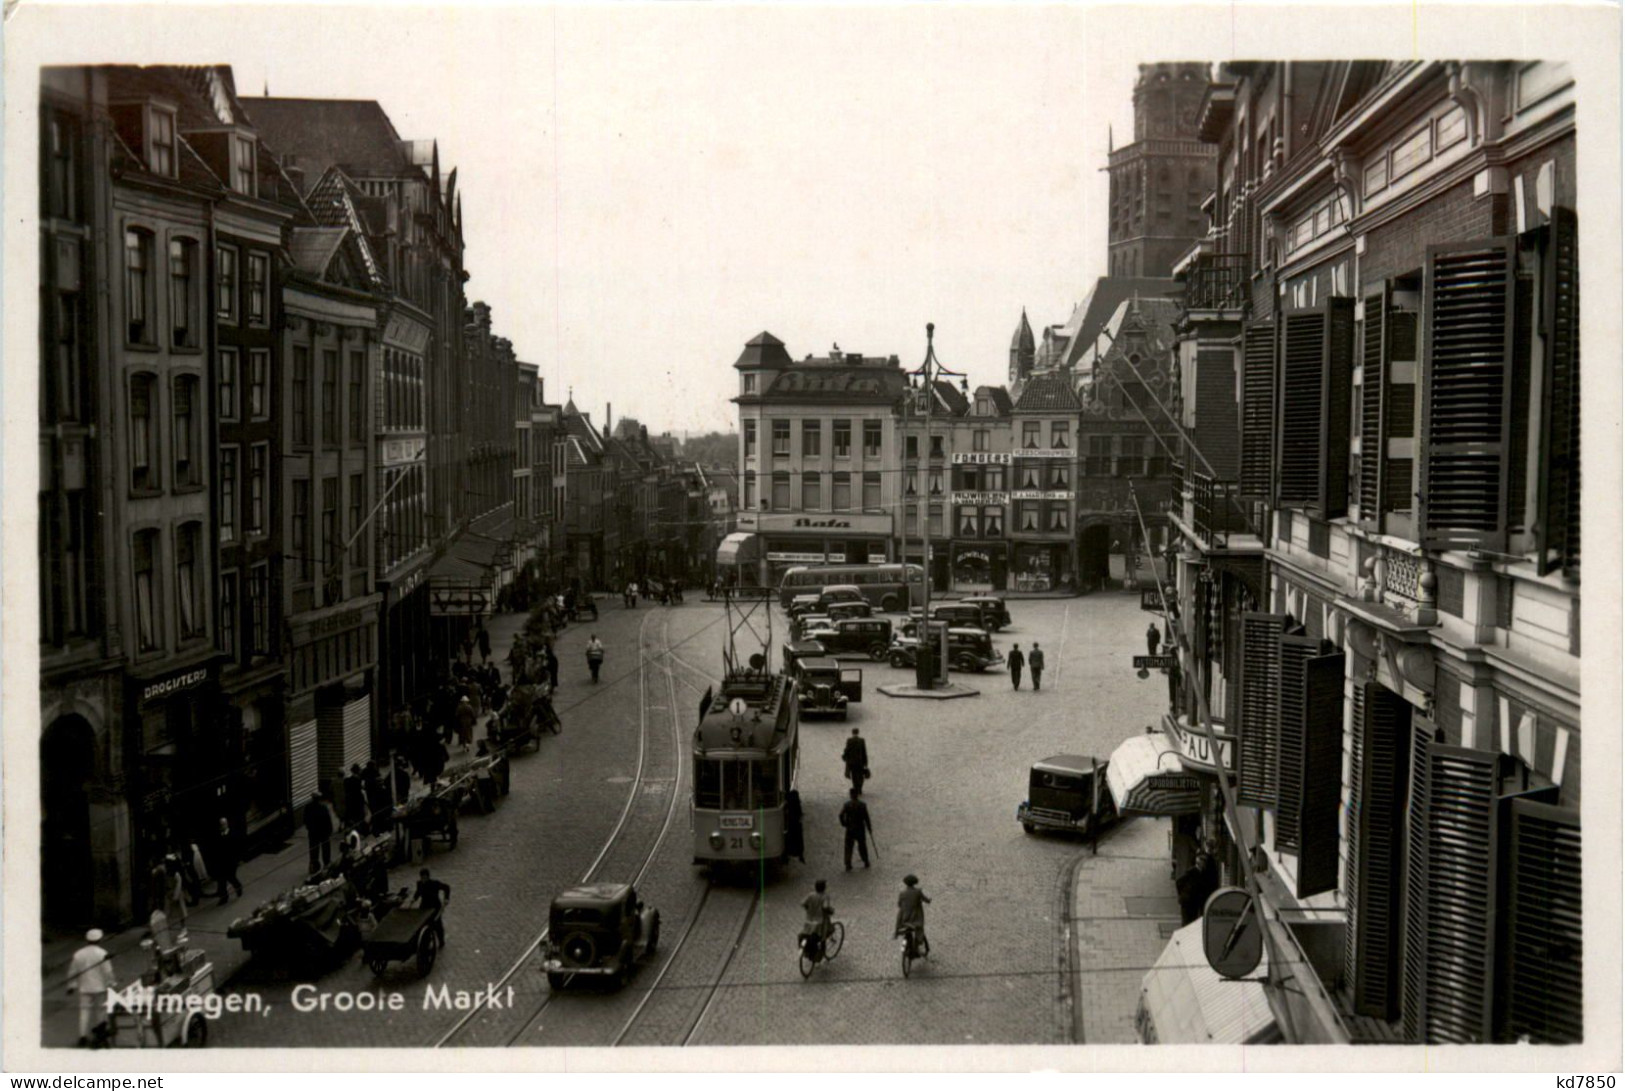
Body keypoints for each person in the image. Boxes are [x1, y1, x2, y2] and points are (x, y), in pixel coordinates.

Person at [67, 929, 117, 1046]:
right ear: (99, 939)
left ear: (87, 940)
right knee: (100, 1011)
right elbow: (108, 971)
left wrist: (72, 985)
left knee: (84, 1011)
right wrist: (112, 983)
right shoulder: (102, 953)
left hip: (84, 987)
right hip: (100, 987)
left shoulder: (78, 954)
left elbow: (73, 971)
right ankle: (100, 1034)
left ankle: (82, 1036)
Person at [412, 867, 452, 947]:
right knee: (423, 924)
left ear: (427, 876)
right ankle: (425, 940)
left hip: (434, 907)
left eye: (424, 877)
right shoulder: (419, 884)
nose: (423, 879)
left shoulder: (434, 883)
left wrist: (446, 898)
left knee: (437, 924)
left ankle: (441, 941)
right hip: (424, 907)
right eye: (422, 877)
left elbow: (446, 887)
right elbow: (418, 892)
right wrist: (414, 898)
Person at [894, 874, 932, 957]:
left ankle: (897, 934)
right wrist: (929, 900)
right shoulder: (917, 892)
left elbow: (899, 904)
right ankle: (918, 943)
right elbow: (925, 899)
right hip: (915, 917)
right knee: (919, 929)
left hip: (905, 917)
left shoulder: (902, 893)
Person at [211, 816, 243, 905]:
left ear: (227, 824)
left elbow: (236, 848)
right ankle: (224, 897)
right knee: (222, 880)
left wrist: (237, 859)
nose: (222, 826)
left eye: (224, 824)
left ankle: (238, 886)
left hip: (231, 861)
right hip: (222, 862)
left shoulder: (233, 834)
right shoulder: (219, 835)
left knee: (231, 877)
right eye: (221, 824)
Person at [838, 788, 873, 871]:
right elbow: (866, 818)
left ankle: (848, 863)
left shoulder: (847, 805)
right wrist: (869, 828)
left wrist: (844, 824)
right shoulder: (862, 805)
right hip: (860, 828)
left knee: (848, 846)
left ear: (850, 795)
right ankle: (865, 861)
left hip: (850, 828)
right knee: (862, 846)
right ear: (857, 795)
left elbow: (840, 815)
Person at [800, 879, 834, 954]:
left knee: (808, 933)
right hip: (820, 921)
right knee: (823, 935)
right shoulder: (825, 896)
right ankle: (822, 950)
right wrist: (830, 911)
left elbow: (803, 903)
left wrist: (808, 909)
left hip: (809, 919)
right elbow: (825, 907)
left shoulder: (811, 895)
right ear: (824, 888)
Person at [304, 792, 334, 875]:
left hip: (313, 832)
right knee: (326, 849)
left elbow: (305, 819)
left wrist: (309, 827)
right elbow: (328, 820)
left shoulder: (308, 807)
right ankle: (326, 864)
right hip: (323, 832)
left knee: (314, 850)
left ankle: (314, 866)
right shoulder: (323, 807)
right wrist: (330, 830)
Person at [841, 728, 869, 795]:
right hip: (860, 762)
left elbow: (847, 750)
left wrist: (844, 756)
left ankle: (855, 787)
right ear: (858, 733)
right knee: (860, 775)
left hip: (852, 762)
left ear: (852, 733)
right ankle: (859, 788)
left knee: (854, 776)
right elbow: (864, 752)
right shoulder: (861, 740)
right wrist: (865, 762)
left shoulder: (849, 740)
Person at [784, 789, 806, 864]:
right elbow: (799, 815)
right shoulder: (797, 805)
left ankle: (787, 855)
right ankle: (800, 855)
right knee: (798, 841)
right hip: (796, 825)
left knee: (789, 840)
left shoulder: (788, 806)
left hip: (791, 825)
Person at [344, 764, 366, 830]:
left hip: (350, 800)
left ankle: (353, 827)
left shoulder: (347, 780)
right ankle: (359, 828)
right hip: (358, 800)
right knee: (360, 815)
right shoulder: (359, 780)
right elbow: (361, 790)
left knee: (352, 815)